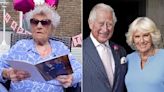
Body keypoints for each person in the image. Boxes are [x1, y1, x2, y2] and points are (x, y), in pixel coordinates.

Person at [0, 4, 82, 92]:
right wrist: (7, 73)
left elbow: (80, 70)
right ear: (31, 26)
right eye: (34, 22)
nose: (39, 26)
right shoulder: (20, 46)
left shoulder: (60, 48)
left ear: (52, 27)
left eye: (45, 22)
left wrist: (72, 78)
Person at [83, 3, 127, 92]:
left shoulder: (121, 51)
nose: (105, 29)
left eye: (109, 24)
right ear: (90, 24)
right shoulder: (80, 49)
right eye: (101, 23)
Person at [125, 17, 164, 92]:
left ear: (152, 36)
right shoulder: (129, 59)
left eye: (145, 35)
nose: (142, 41)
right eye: (137, 36)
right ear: (132, 39)